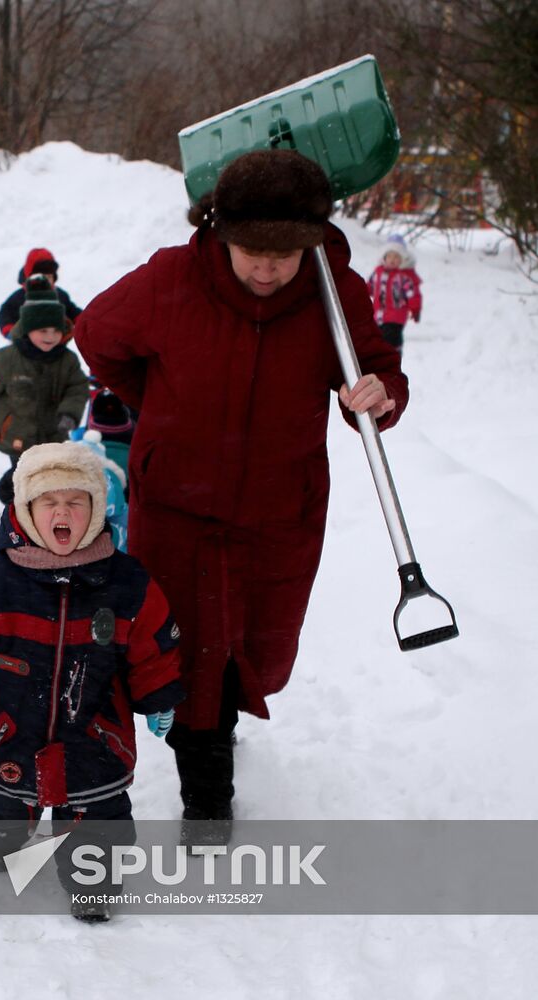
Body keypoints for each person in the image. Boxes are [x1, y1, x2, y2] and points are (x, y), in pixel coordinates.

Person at [75, 148, 409, 840]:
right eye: (252, 251)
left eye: (284, 255)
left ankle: (217, 720)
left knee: (258, 645)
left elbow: (374, 369)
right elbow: (96, 336)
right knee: (184, 647)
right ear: (218, 231)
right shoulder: (171, 278)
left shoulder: (332, 288)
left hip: (279, 509)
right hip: (178, 504)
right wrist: (155, 405)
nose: (266, 268)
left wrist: (377, 395)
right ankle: (207, 799)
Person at [0, 441, 184, 921]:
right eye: (49, 502)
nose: (63, 512)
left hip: (95, 735)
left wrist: (159, 696)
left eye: (76, 502)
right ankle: (3, 845)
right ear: (26, 510)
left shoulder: (127, 586)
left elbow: (154, 647)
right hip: (4, 733)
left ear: (96, 510)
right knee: (0, 810)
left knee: (97, 822)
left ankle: (93, 888)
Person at [0, 275, 90, 504]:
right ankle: (15, 501)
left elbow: (77, 388)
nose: (50, 337)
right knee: (23, 474)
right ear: (28, 329)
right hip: (17, 435)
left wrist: (70, 413)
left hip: (53, 433)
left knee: (46, 475)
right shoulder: (7, 359)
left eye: (56, 331)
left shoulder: (67, 360)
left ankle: (37, 505)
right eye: (43, 331)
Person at [0, 247, 82, 340]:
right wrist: (10, 331)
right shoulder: (19, 298)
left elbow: (72, 310)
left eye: (49, 277)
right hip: (26, 344)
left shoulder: (60, 295)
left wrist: (82, 319)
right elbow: (6, 314)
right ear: (29, 278)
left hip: (55, 342)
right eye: (40, 277)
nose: (45, 281)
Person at [366, 234, 422, 355]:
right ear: (384, 257)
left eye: (396, 257)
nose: (392, 260)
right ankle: (385, 356)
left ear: (403, 260)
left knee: (391, 337)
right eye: (389, 256)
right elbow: (369, 287)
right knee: (379, 338)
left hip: (396, 315)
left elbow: (412, 294)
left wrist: (415, 309)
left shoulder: (404, 276)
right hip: (378, 315)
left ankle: (394, 354)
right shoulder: (378, 273)